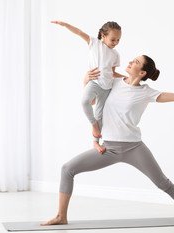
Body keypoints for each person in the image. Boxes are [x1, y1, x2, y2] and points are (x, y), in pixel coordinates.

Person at [41, 55, 174, 226]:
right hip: (108, 149)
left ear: (142, 73)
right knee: (67, 169)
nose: (130, 62)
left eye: (135, 62)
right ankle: (61, 216)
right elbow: (93, 102)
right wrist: (85, 81)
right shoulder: (113, 83)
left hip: (134, 148)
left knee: (162, 183)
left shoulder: (146, 92)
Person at [51, 21, 125, 154]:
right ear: (103, 36)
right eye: (113, 39)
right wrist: (64, 25)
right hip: (94, 82)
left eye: (118, 40)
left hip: (107, 88)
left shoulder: (115, 54)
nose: (116, 42)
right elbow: (79, 32)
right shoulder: (94, 43)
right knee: (85, 101)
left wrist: (125, 78)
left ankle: (96, 143)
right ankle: (93, 126)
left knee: (100, 115)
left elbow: (112, 73)